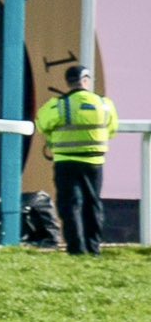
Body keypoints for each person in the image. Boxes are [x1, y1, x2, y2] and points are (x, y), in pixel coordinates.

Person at [35, 64, 120, 256]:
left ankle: (76, 249)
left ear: (68, 82)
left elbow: (41, 124)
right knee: (93, 203)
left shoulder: (59, 105)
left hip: (66, 162)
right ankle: (93, 248)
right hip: (94, 162)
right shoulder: (104, 104)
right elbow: (112, 129)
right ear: (86, 81)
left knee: (71, 205)